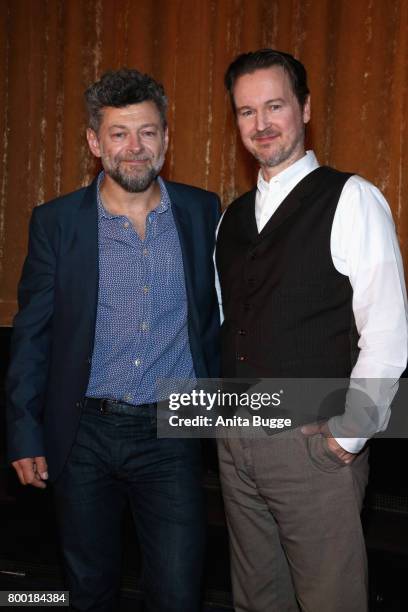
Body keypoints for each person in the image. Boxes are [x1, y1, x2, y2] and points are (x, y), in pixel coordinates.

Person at [7, 68, 220, 612]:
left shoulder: (202, 211)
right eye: (119, 133)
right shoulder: (57, 223)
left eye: (147, 132)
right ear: (94, 142)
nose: (134, 147)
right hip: (83, 434)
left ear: (166, 139)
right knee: (90, 590)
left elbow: (220, 317)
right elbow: (33, 335)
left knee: (177, 592)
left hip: (174, 428)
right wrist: (24, 432)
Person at [215, 49, 407, 612]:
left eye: (274, 105)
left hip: (312, 447)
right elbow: (236, 326)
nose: (261, 123)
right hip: (236, 441)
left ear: (304, 108)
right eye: (246, 112)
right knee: (256, 601)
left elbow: (389, 333)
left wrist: (349, 434)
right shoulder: (231, 217)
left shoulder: (352, 198)